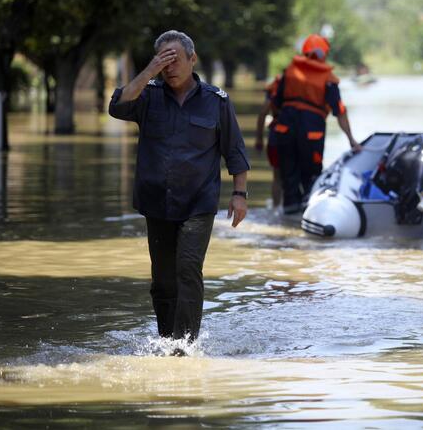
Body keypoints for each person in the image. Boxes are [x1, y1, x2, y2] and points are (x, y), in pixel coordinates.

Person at [108, 30, 250, 346]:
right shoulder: (147, 95)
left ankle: (184, 346)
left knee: (188, 271)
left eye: (175, 59)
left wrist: (239, 195)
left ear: (192, 59)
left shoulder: (216, 101)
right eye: (164, 60)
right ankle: (166, 339)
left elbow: (235, 150)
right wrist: (149, 71)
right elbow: (117, 106)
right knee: (162, 282)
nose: (170, 67)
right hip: (157, 201)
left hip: (198, 203)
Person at [271, 34, 361, 214]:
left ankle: (286, 220)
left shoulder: (290, 71)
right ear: (325, 54)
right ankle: (311, 215)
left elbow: (276, 103)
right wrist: (352, 139)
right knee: (311, 176)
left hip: (285, 128)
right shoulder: (327, 78)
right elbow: (340, 112)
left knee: (288, 175)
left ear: (304, 51)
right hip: (311, 132)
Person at [254, 74, 282, 208]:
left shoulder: (275, 89)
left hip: (277, 135)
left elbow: (262, 113)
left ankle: (277, 208)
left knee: (277, 177)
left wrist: (259, 139)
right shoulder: (304, 89)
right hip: (300, 136)